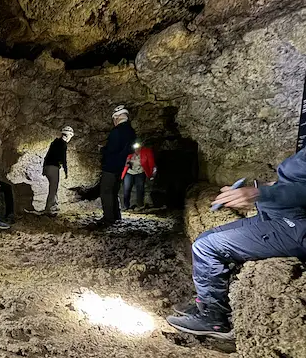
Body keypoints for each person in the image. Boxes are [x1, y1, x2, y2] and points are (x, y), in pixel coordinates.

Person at [167, 147, 306, 340]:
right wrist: (263, 188)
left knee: (208, 247)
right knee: (204, 238)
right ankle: (207, 303)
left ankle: (214, 319)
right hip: (281, 214)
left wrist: (262, 194)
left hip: (297, 227)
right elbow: (295, 181)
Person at [99, 106, 135, 225]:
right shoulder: (130, 131)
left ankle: (109, 218)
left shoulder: (117, 131)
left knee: (106, 191)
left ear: (117, 117)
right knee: (114, 191)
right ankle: (116, 215)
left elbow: (112, 149)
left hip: (111, 165)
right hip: (121, 166)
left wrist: (103, 150)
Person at [41, 126, 74, 215]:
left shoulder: (54, 142)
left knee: (53, 187)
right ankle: (49, 209)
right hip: (53, 167)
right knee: (53, 189)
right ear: (68, 135)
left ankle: (54, 205)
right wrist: (66, 170)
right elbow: (63, 157)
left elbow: (47, 156)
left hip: (48, 166)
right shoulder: (63, 143)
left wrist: (44, 169)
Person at [121, 140, 156, 210]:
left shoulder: (146, 151)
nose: (136, 148)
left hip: (140, 172)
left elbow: (151, 163)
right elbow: (122, 161)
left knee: (140, 189)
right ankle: (126, 206)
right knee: (126, 189)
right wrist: (126, 163)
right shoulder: (128, 152)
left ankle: (140, 205)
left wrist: (151, 173)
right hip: (129, 172)